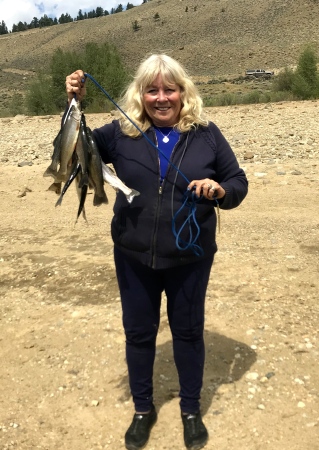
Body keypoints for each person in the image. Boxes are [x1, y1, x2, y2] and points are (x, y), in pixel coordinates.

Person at [65, 54, 248, 450]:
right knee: (139, 333)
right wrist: (74, 103)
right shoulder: (119, 133)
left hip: (191, 255)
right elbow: (75, 149)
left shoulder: (207, 134)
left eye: (169, 89)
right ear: (140, 93)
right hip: (133, 256)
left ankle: (190, 410)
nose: (161, 98)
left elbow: (237, 180)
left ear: (184, 92)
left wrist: (221, 191)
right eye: (152, 89)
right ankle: (143, 410)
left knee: (187, 332)